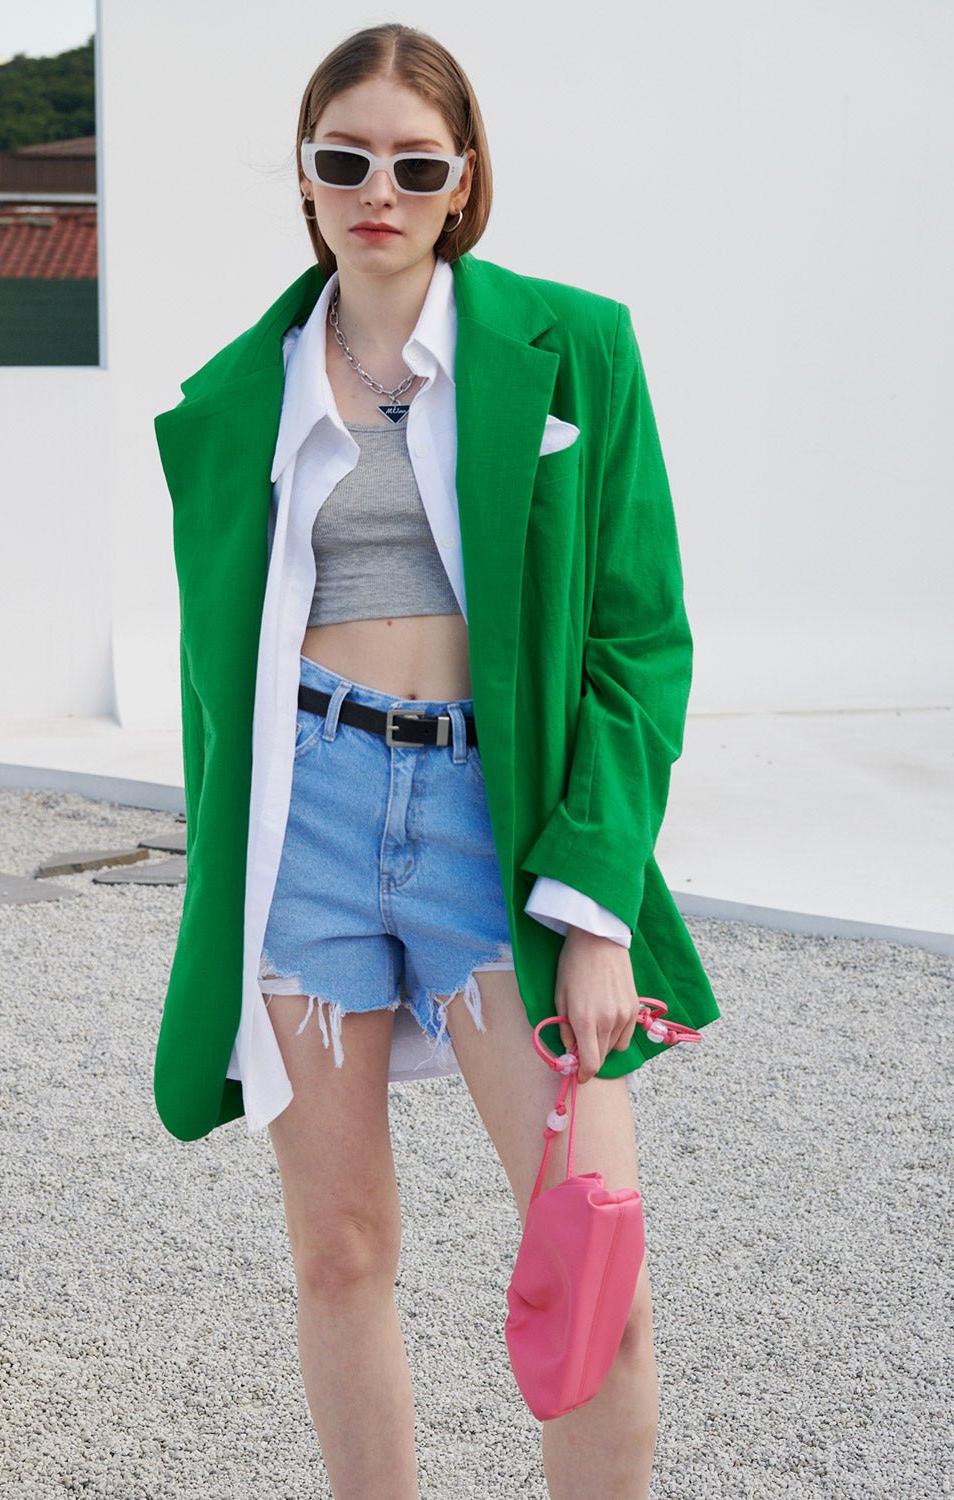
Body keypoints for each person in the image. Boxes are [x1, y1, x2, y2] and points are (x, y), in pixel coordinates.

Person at [153, 21, 720, 1500]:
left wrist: (595, 907)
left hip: (496, 821)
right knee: (340, 1252)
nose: (378, 191)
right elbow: (220, 678)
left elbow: (639, 641)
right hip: (315, 819)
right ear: (305, 174)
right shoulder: (238, 395)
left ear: (464, 179)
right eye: (346, 160)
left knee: (595, 1266)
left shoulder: (575, 345)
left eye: (416, 164)